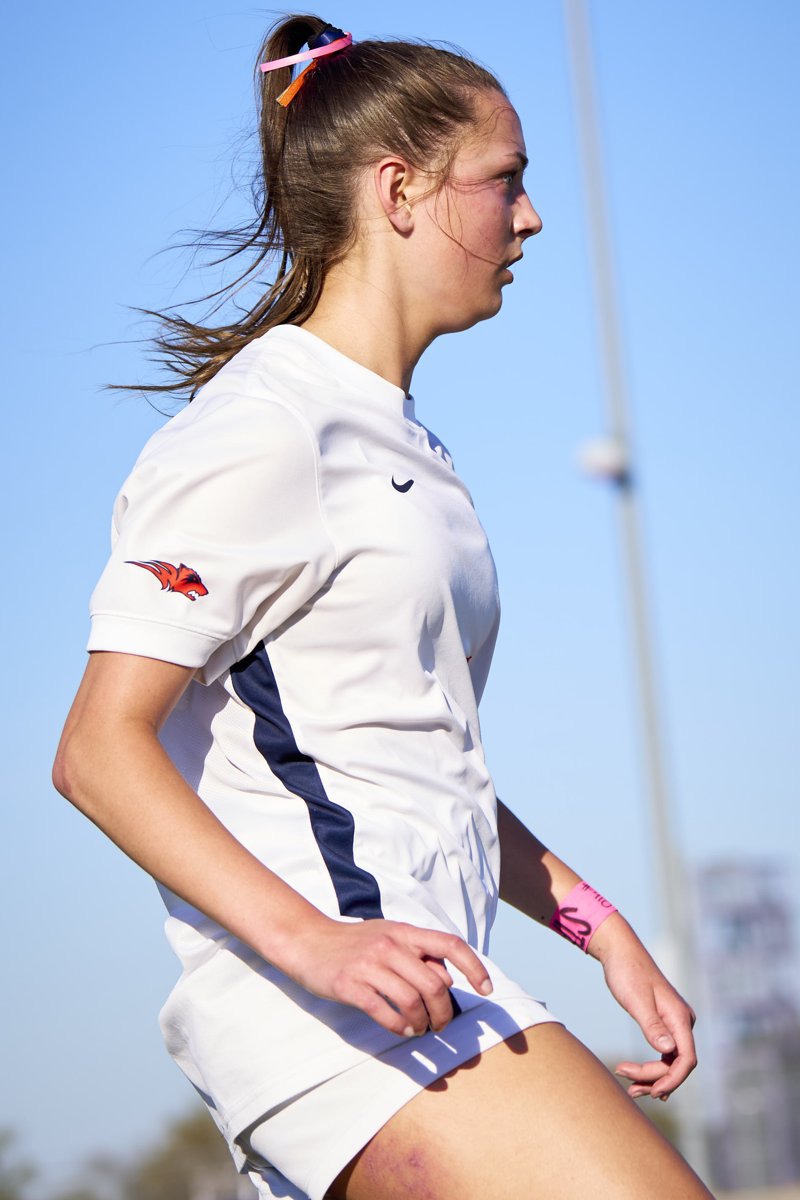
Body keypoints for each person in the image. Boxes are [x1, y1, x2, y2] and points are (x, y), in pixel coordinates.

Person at [53, 14, 714, 1200]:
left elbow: (408, 761)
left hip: (417, 988)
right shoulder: (263, 428)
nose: (530, 218)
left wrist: (598, 925)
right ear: (398, 190)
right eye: (504, 180)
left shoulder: (402, 443)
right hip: (333, 1015)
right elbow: (98, 749)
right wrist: (316, 942)